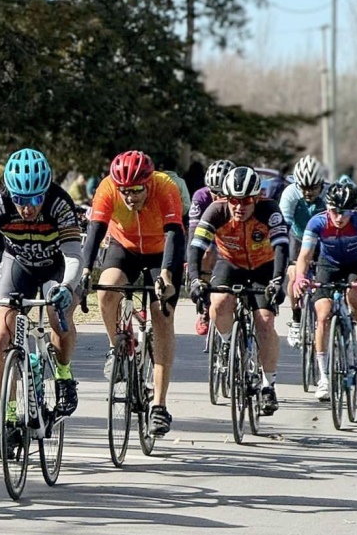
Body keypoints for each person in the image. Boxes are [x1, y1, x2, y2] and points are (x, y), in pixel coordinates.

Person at [0, 148, 83, 456]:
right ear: (10, 193)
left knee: (57, 314)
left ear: (46, 191)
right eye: (21, 200)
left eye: (35, 199)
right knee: (1, 333)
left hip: (56, 264)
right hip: (19, 264)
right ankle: (10, 418)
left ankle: (64, 376)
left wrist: (67, 286)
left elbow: (73, 255)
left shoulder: (59, 203)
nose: (28, 208)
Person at [81, 150, 185, 437]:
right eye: (124, 191)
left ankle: (159, 406)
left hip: (161, 251)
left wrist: (166, 273)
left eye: (136, 190)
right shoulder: (107, 188)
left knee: (161, 312)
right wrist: (86, 270)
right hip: (124, 247)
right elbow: (95, 230)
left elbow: (175, 233)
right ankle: (116, 347)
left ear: (148, 183)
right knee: (107, 290)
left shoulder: (165, 187)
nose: (130, 197)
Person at [189, 166, 288, 416]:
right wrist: (194, 279)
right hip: (230, 263)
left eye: (245, 201)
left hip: (264, 266)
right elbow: (197, 246)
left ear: (256, 198)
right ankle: (227, 344)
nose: (238, 207)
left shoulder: (269, 210)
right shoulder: (216, 210)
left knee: (265, 321)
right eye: (233, 200)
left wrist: (278, 280)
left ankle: (268, 385)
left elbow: (282, 247)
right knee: (219, 303)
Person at [292, 183, 357, 402]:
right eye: (335, 211)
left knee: (355, 296)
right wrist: (301, 277)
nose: (339, 217)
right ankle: (323, 376)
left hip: (354, 266)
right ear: (328, 208)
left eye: (345, 212)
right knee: (323, 316)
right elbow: (304, 255)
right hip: (327, 266)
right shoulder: (317, 222)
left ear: (353, 211)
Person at [279, 154, 327, 348]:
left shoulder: (329, 194)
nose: (308, 193)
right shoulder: (290, 193)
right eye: (304, 188)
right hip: (298, 237)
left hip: (324, 239)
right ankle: (297, 318)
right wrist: (287, 260)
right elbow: (283, 228)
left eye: (312, 188)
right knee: (293, 275)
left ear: (321, 184)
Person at [187, 160, 234, 335]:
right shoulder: (200, 197)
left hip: (233, 238)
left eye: (221, 193)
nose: (216, 197)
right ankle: (205, 307)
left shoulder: (239, 198)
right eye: (213, 192)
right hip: (210, 235)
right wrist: (192, 266)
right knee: (206, 252)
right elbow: (193, 235)